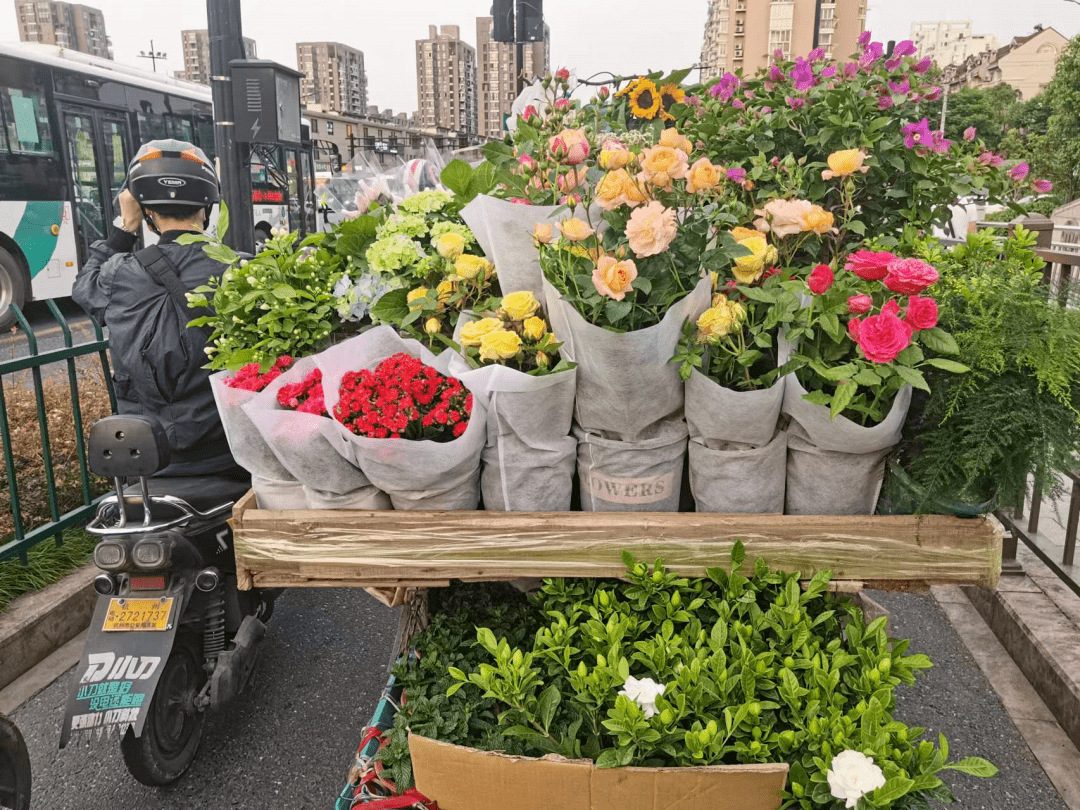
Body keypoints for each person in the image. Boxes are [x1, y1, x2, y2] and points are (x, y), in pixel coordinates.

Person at [72, 139, 244, 479]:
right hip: (227, 447)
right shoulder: (237, 270)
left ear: (146, 210)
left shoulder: (119, 272)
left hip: (148, 452)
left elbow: (83, 287)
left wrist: (125, 227)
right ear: (207, 206)